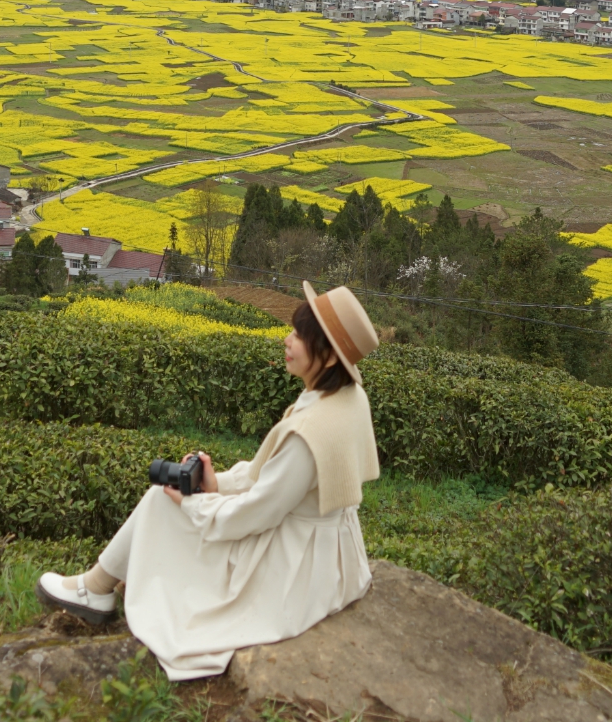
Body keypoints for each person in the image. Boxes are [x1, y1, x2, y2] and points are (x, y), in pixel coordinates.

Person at [37, 282, 383, 680]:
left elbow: (258, 513)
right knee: (178, 499)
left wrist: (195, 505)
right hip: (333, 555)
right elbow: (268, 478)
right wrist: (218, 484)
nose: (287, 340)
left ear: (326, 355)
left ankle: (94, 589)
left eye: (300, 335)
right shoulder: (348, 398)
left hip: (297, 569)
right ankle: (99, 585)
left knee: (161, 500)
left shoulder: (310, 432)